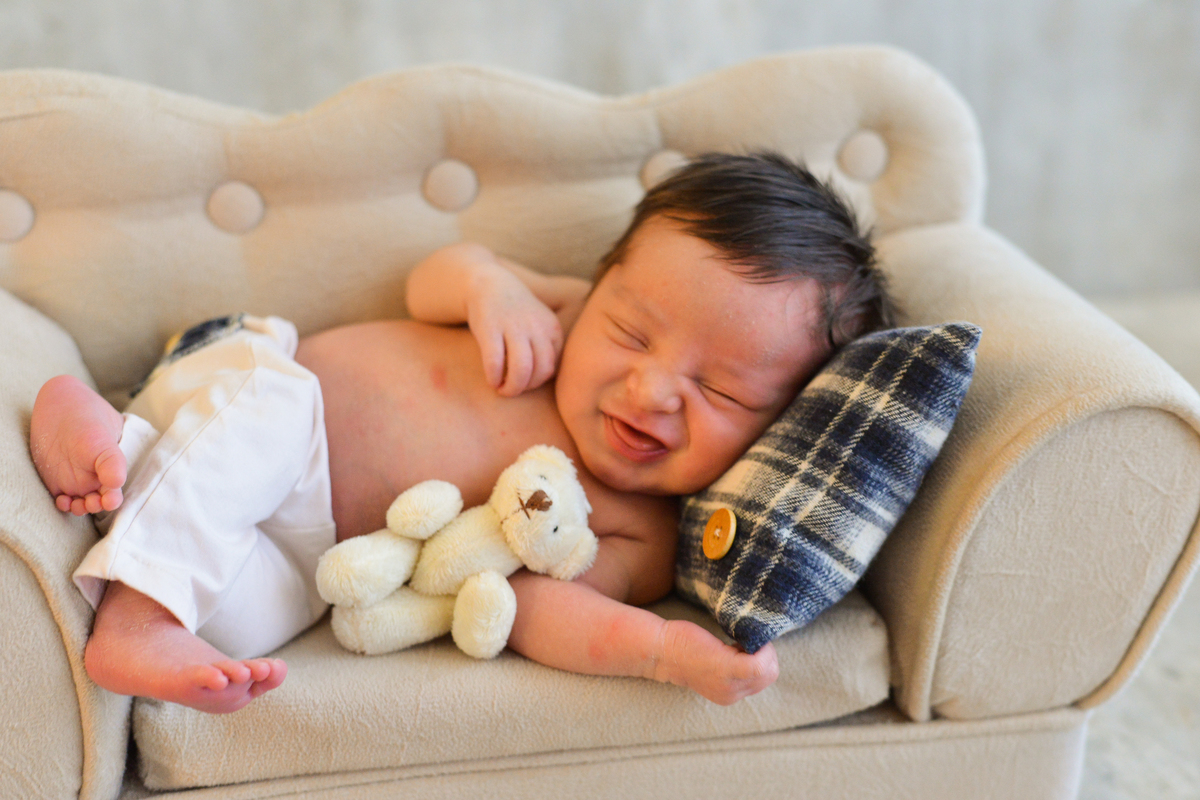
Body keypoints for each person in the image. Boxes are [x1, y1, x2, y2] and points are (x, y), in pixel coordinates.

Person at [28, 152, 890, 714]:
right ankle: (135, 605)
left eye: (719, 389)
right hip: (252, 386)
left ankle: (117, 457)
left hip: (305, 548)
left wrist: (665, 651)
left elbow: (541, 612)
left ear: (783, 423)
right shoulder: (560, 309)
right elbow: (432, 280)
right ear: (604, 289)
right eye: (633, 333)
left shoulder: (646, 530)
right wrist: (488, 289)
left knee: (242, 628)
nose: (651, 388)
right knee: (265, 415)